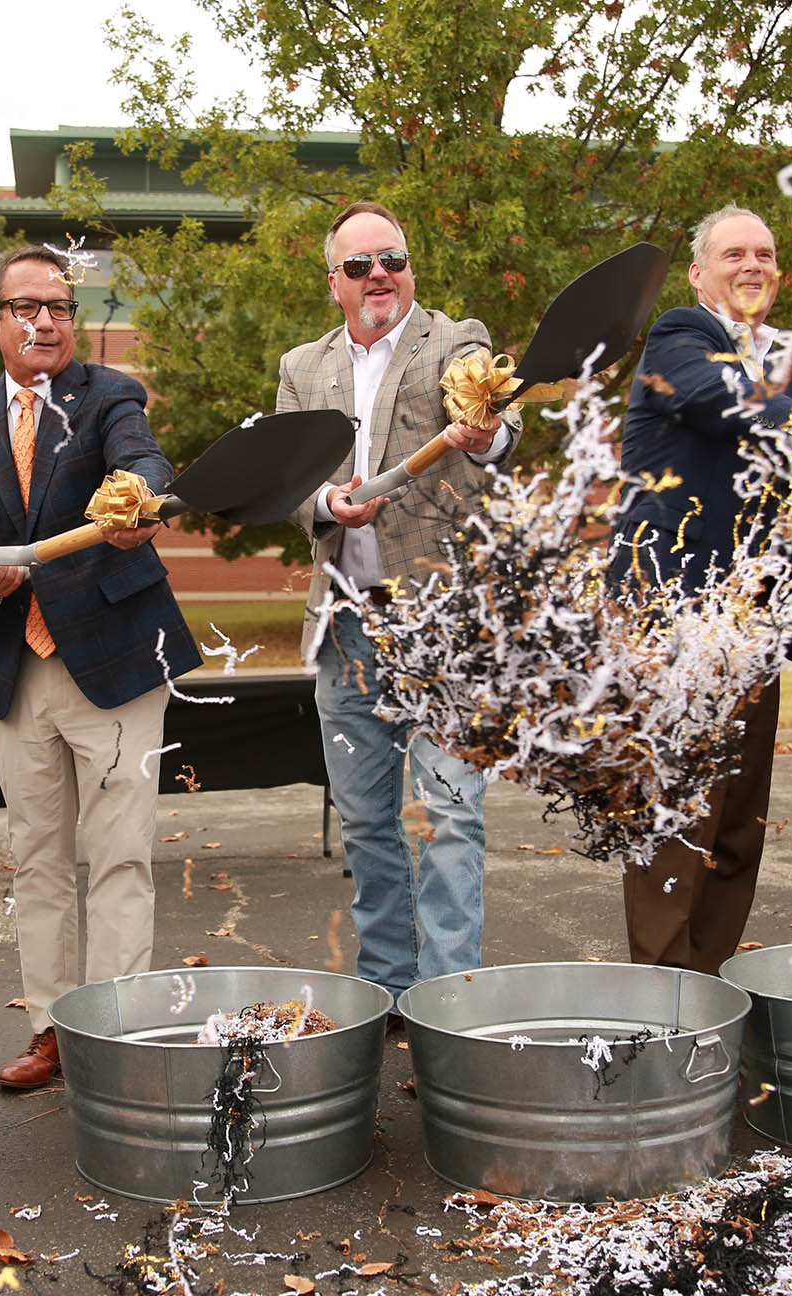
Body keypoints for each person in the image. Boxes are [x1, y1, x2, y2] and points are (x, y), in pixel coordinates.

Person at [0, 246, 199, 1089]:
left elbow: (143, 461)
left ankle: (117, 1032)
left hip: (117, 663)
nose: (45, 320)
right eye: (26, 307)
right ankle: (52, 1030)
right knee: (37, 860)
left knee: (119, 856)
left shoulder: (109, 394)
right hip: (20, 664)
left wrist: (138, 502)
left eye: (59, 306)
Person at [276, 200, 518, 1006]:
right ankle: (386, 985)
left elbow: (493, 417)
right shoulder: (301, 367)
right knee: (369, 822)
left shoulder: (455, 338)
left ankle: (447, 1000)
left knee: (450, 815)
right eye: (360, 266)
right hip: (345, 623)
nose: (380, 275)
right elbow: (285, 481)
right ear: (334, 280)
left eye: (394, 259)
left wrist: (487, 432)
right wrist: (323, 504)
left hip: (445, 622)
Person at [609, 204, 792, 975]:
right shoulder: (679, 338)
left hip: (754, 625)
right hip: (674, 621)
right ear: (700, 273)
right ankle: (662, 998)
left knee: (737, 825)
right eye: (735, 254)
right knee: (676, 813)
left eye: (766, 255)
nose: (753, 266)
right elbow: (719, 396)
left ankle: (706, 985)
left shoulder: (790, 373)